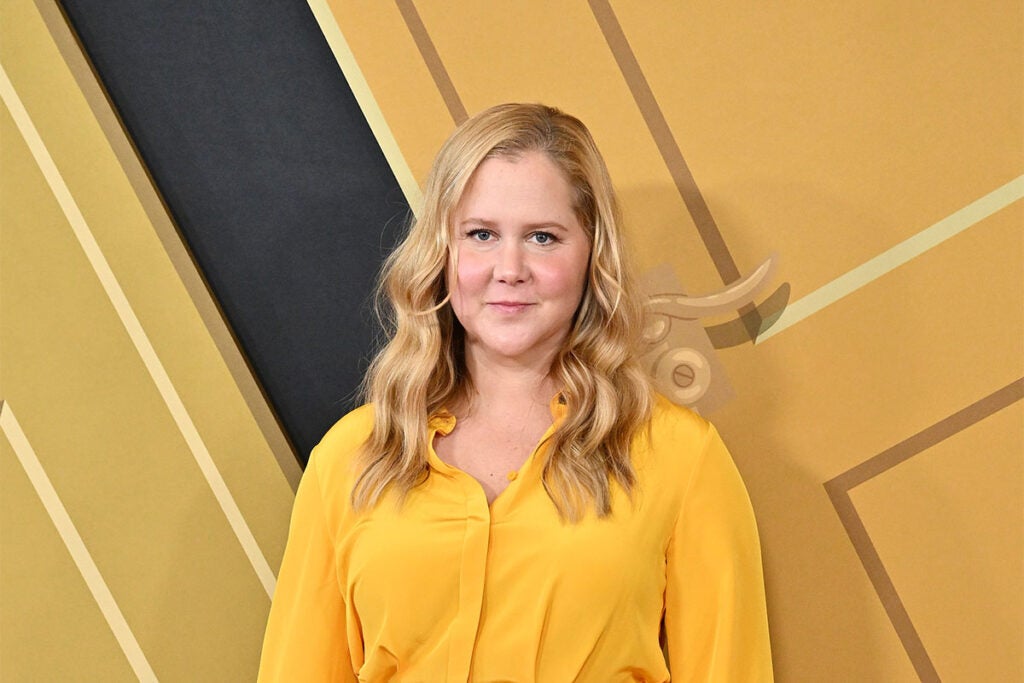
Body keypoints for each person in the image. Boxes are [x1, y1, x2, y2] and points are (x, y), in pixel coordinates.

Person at [258, 103, 772, 681]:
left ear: (591, 255)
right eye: (480, 234)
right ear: (442, 253)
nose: (509, 268)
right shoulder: (351, 459)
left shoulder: (680, 455)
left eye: (542, 237)